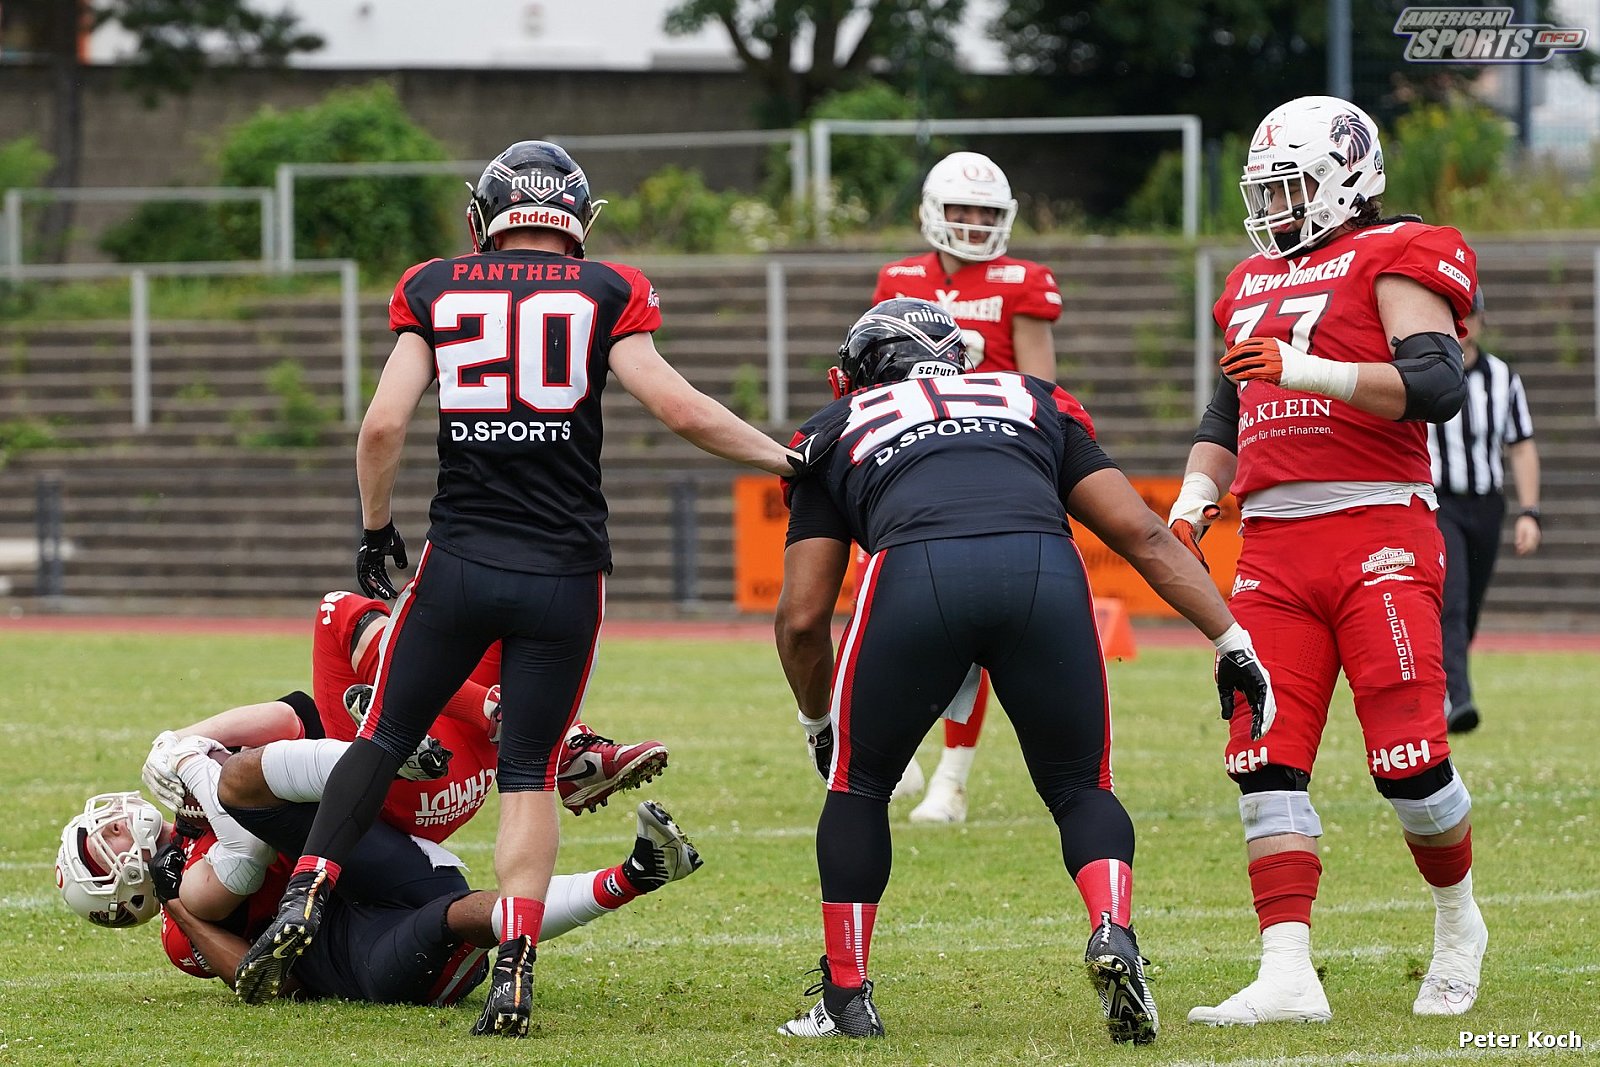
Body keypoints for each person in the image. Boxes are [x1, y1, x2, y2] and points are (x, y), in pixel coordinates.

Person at [233, 140, 796, 1035]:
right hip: (565, 572)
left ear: (482, 217)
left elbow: (382, 425)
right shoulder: (610, 288)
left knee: (382, 736)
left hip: (458, 563)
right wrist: (786, 459)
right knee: (528, 770)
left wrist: (377, 527)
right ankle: (515, 968)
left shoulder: (433, 285)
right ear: (577, 220)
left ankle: (305, 894)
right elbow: (679, 407)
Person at [772, 298, 1276, 1045]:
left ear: (855, 375)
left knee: (859, 787)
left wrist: (819, 722)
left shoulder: (834, 427)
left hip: (915, 573)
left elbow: (803, 616)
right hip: (1044, 570)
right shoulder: (1033, 398)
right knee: (1082, 787)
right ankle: (1112, 929)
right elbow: (1141, 532)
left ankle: (847, 998)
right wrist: (1231, 638)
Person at [1168, 95, 1488, 1025]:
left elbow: (1437, 383)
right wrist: (1195, 492)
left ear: (1347, 178)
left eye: (1290, 186)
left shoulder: (1399, 249)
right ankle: (1287, 970)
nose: (1273, 206)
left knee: (1409, 762)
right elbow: (1228, 409)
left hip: (1376, 527)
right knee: (1261, 755)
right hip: (1273, 544)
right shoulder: (1249, 280)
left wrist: (1303, 370)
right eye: (1264, 189)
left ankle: (1458, 923)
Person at [868, 150, 1075, 824]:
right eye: (961, 209)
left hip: (990, 461)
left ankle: (951, 780)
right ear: (932, 211)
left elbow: (1042, 387)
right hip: (911, 457)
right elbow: (876, 376)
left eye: (986, 213)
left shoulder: (1023, 281)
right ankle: (895, 750)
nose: (973, 224)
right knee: (887, 608)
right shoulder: (899, 279)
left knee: (971, 631)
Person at [1427, 287, 1541, 733]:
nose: (1463, 322)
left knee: (1469, 606)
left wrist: (1530, 511)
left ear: (1481, 319)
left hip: (1486, 505)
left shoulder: (1503, 378)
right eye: (1455, 314)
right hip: (1440, 503)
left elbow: (1521, 445)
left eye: (1469, 314)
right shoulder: (1427, 374)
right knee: (1452, 600)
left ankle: (1444, 682)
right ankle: (1459, 699)